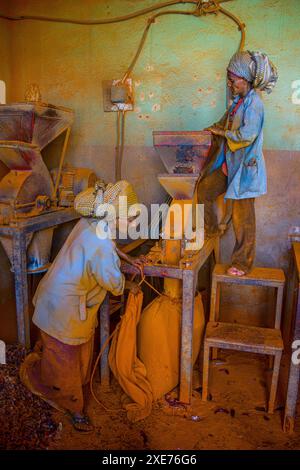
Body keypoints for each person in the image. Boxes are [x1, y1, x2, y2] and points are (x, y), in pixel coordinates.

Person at [20, 180, 145, 432]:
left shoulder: (92, 224)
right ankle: (73, 408)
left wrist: (127, 257)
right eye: (129, 218)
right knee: (65, 361)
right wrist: (128, 285)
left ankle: (53, 378)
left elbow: (108, 247)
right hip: (63, 308)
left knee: (75, 353)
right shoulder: (101, 247)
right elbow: (114, 282)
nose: (133, 222)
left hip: (59, 301)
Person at [198, 50, 278, 276]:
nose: (230, 85)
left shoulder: (254, 104)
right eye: (229, 81)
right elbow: (222, 124)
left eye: (233, 81)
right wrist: (210, 132)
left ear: (245, 80)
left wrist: (222, 132)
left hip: (245, 169)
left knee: (243, 219)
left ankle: (242, 263)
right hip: (229, 165)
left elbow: (246, 135)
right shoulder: (238, 103)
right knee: (204, 189)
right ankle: (211, 230)